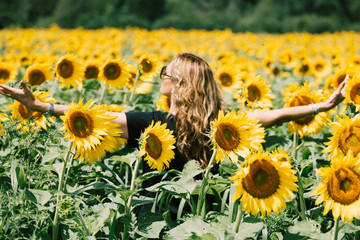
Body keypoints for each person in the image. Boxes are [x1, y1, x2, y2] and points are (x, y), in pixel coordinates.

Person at [0, 53, 348, 172]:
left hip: (150, 217)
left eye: (167, 73)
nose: (161, 76)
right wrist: (323, 106)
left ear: (179, 85)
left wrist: (39, 106)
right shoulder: (220, 126)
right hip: (201, 215)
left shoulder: (153, 123)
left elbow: (98, 118)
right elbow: (274, 116)